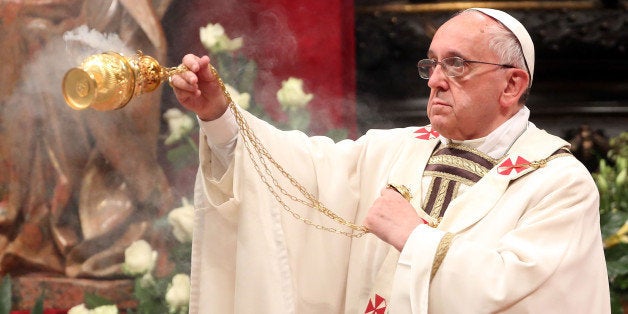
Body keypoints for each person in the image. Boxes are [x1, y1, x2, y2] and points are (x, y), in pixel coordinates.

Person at [171, 8, 610, 313]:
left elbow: (516, 292)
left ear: (511, 85)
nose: (435, 81)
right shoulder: (395, 150)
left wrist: (415, 237)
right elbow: (295, 172)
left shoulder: (558, 183)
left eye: (456, 65)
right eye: (432, 64)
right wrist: (218, 114)